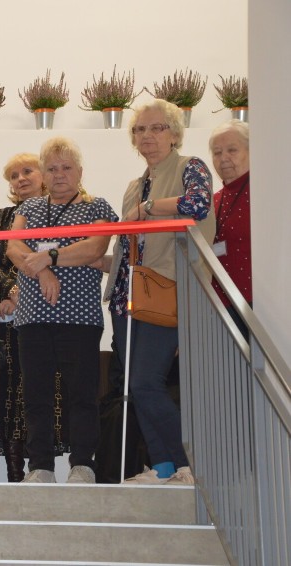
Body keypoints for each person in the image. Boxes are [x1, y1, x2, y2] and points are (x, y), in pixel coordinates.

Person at [101, 99, 215, 485]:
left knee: (147, 382)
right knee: (135, 386)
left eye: (156, 128)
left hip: (166, 291)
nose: (147, 136)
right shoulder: (134, 186)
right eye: (139, 130)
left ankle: (192, 463)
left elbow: (197, 206)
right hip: (126, 298)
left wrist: (147, 209)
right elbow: (130, 244)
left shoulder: (190, 167)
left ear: (174, 133)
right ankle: (164, 468)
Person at [7, 137, 117, 484]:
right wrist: (43, 268)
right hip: (33, 318)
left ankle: (82, 463)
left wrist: (48, 255)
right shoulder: (30, 209)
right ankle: (39, 466)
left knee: (82, 394)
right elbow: (13, 247)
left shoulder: (96, 206)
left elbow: (94, 247)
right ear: (43, 175)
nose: (58, 175)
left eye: (66, 167)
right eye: (51, 168)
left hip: (79, 318)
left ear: (79, 172)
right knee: (36, 393)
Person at [0, 153, 50, 482]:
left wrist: (23, 292)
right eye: (13, 175)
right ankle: (14, 475)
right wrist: (11, 291)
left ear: (43, 174)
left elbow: (60, 258)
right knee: (5, 392)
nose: (21, 179)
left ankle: (40, 469)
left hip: (47, 313)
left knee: (36, 390)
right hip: (2, 319)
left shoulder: (59, 215)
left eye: (27, 171)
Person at [209, 120, 251, 336]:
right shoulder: (212, 201)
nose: (223, 158)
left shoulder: (265, 194)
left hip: (258, 307)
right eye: (217, 152)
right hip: (219, 306)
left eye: (232, 150)